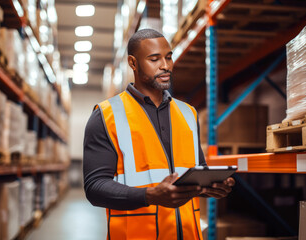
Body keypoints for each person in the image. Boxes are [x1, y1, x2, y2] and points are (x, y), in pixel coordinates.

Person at [83, 28, 235, 240]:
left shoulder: (188, 113)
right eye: (154, 59)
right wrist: (150, 195)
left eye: (169, 57)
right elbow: (95, 187)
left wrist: (211, 187)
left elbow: (196, 172)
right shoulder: (106, 116)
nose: (165, 66)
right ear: (133, 63)